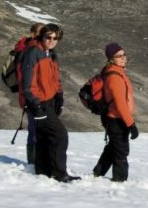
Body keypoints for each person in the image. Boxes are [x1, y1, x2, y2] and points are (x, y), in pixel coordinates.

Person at [19, 23, 79, 182]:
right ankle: (60, 173)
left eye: (56, 38)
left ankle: (43, 171)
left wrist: (59, 96)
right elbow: (27, 84)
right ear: (42, 36)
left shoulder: (51, 54)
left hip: (50, 101)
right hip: (39, 103)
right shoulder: (33, 53)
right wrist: (36, 104)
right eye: (49, 37)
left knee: (45, 137)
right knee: (60, 135)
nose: (52, 40)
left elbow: (54, 79)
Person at [92, 42, 138, 182]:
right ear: (111, 59)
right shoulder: (114, 77)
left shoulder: (117, 72)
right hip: (116, 119)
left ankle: (98, 173)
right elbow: (120, 104)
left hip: (115, 118)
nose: (123, 58)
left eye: (124, 55)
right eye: (119, 56)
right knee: (121, 151)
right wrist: (131, 124)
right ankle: (119, 181)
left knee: (114, 147)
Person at [13, 23, 45, 165]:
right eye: (41, 32)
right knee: (35, 128)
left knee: (36, 128)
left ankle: (35, 161)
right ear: (33, 34)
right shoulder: (29, 51)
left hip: (33, 95)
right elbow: (24, 77)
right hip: (31, 96)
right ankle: (33, 163)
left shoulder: (37, 49)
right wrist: (31, 96)